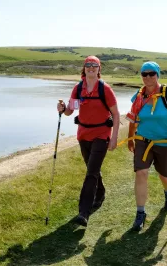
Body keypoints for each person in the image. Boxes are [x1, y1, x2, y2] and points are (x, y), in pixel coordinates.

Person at [56, 55, 120, 227]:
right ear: (84, 68)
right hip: (83, 135)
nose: (91, 68)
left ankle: (84, 212)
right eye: (88, 65)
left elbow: (115, 113)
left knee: (91, 172)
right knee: (92, 169)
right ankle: (100, 193)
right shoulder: (78, 89)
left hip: (102, 134)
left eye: (95, 65)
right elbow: (71, 111)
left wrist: (114, 137)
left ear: (99, 69)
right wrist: (63, 109)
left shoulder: (104, 89)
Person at [126, 61, 167, 231]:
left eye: (152, 73)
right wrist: (130, 138)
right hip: (143, 140)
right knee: (141, 173)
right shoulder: (138, 95)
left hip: (165, 142)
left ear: (158, 75)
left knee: (165, 176)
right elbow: (133, 118)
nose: (148, 77)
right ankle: (140, 213)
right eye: (144, 74)